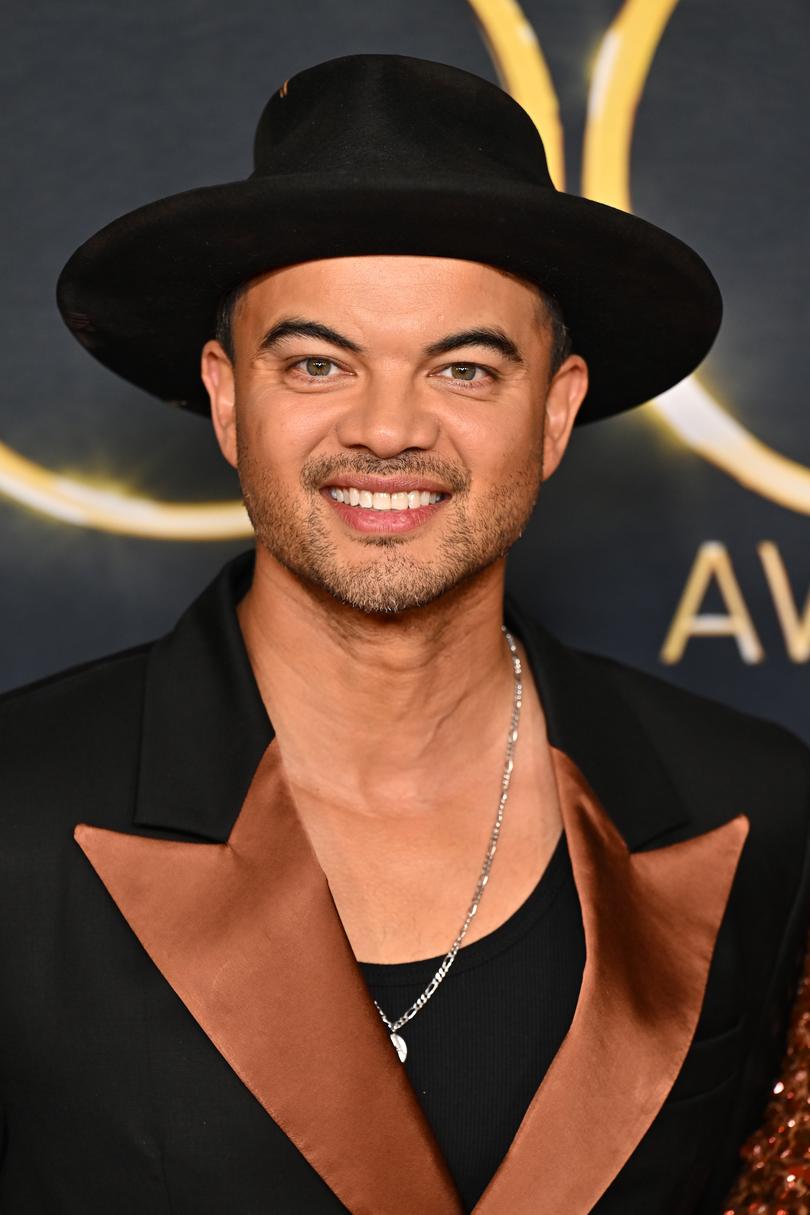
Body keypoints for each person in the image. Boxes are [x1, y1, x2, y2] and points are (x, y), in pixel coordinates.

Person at [0, 53, 808, 1215]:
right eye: (320, 363)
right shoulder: (18, 810)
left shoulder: (753, 806)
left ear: (557, 411)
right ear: (229, 399)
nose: (387, 428)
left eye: (466, 368)